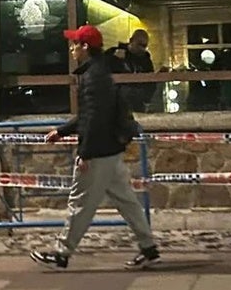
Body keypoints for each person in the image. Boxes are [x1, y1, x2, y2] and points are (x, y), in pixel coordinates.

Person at [29, 25, 160, 271]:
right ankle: (149, 247)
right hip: (110, 150)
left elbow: (93, 117)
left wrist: (84, 153)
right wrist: (62, 131)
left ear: (85, 47)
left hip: (98, 152)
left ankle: (62, 252)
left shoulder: (92, 77)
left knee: (79, 202)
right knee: (127, 201)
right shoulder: (99, 72)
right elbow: (92, 114)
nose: (71, 49)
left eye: (75, 44)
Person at [105, 29, 156, 112]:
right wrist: (114, 59)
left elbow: (150, 81)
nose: (141, 48)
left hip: (136, 103)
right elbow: (101, 68)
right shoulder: (115, 53)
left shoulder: (145, 60)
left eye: (144, 46)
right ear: (131, 41)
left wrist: (147, 100)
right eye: (139, 44)